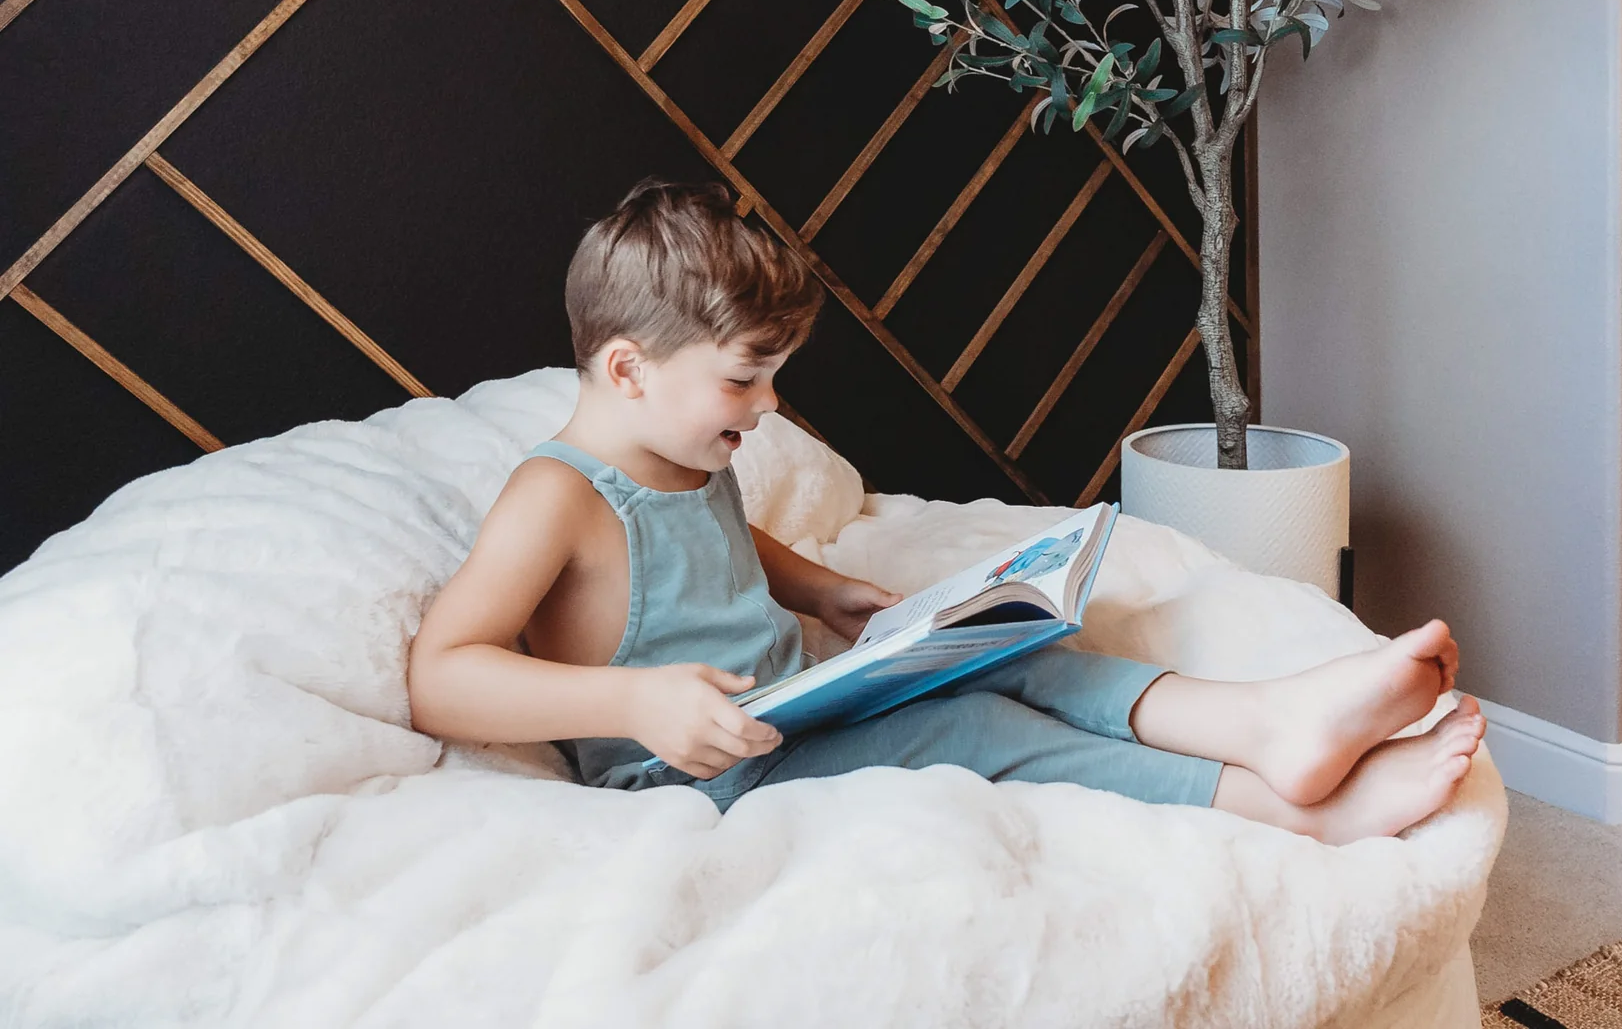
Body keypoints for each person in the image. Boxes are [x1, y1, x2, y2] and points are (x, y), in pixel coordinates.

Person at [406, 179, 1486, 845]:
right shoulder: (556, 494)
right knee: (973, 724)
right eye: (746, 378)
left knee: (1001, 648)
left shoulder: (690, 448)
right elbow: (443, 674)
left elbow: (720, 545)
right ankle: (1295, 810)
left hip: (797, 702)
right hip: (711, 772)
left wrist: (826, 589)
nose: (770, 404)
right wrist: (634, 704)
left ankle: (1261, 722)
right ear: (628, 368)